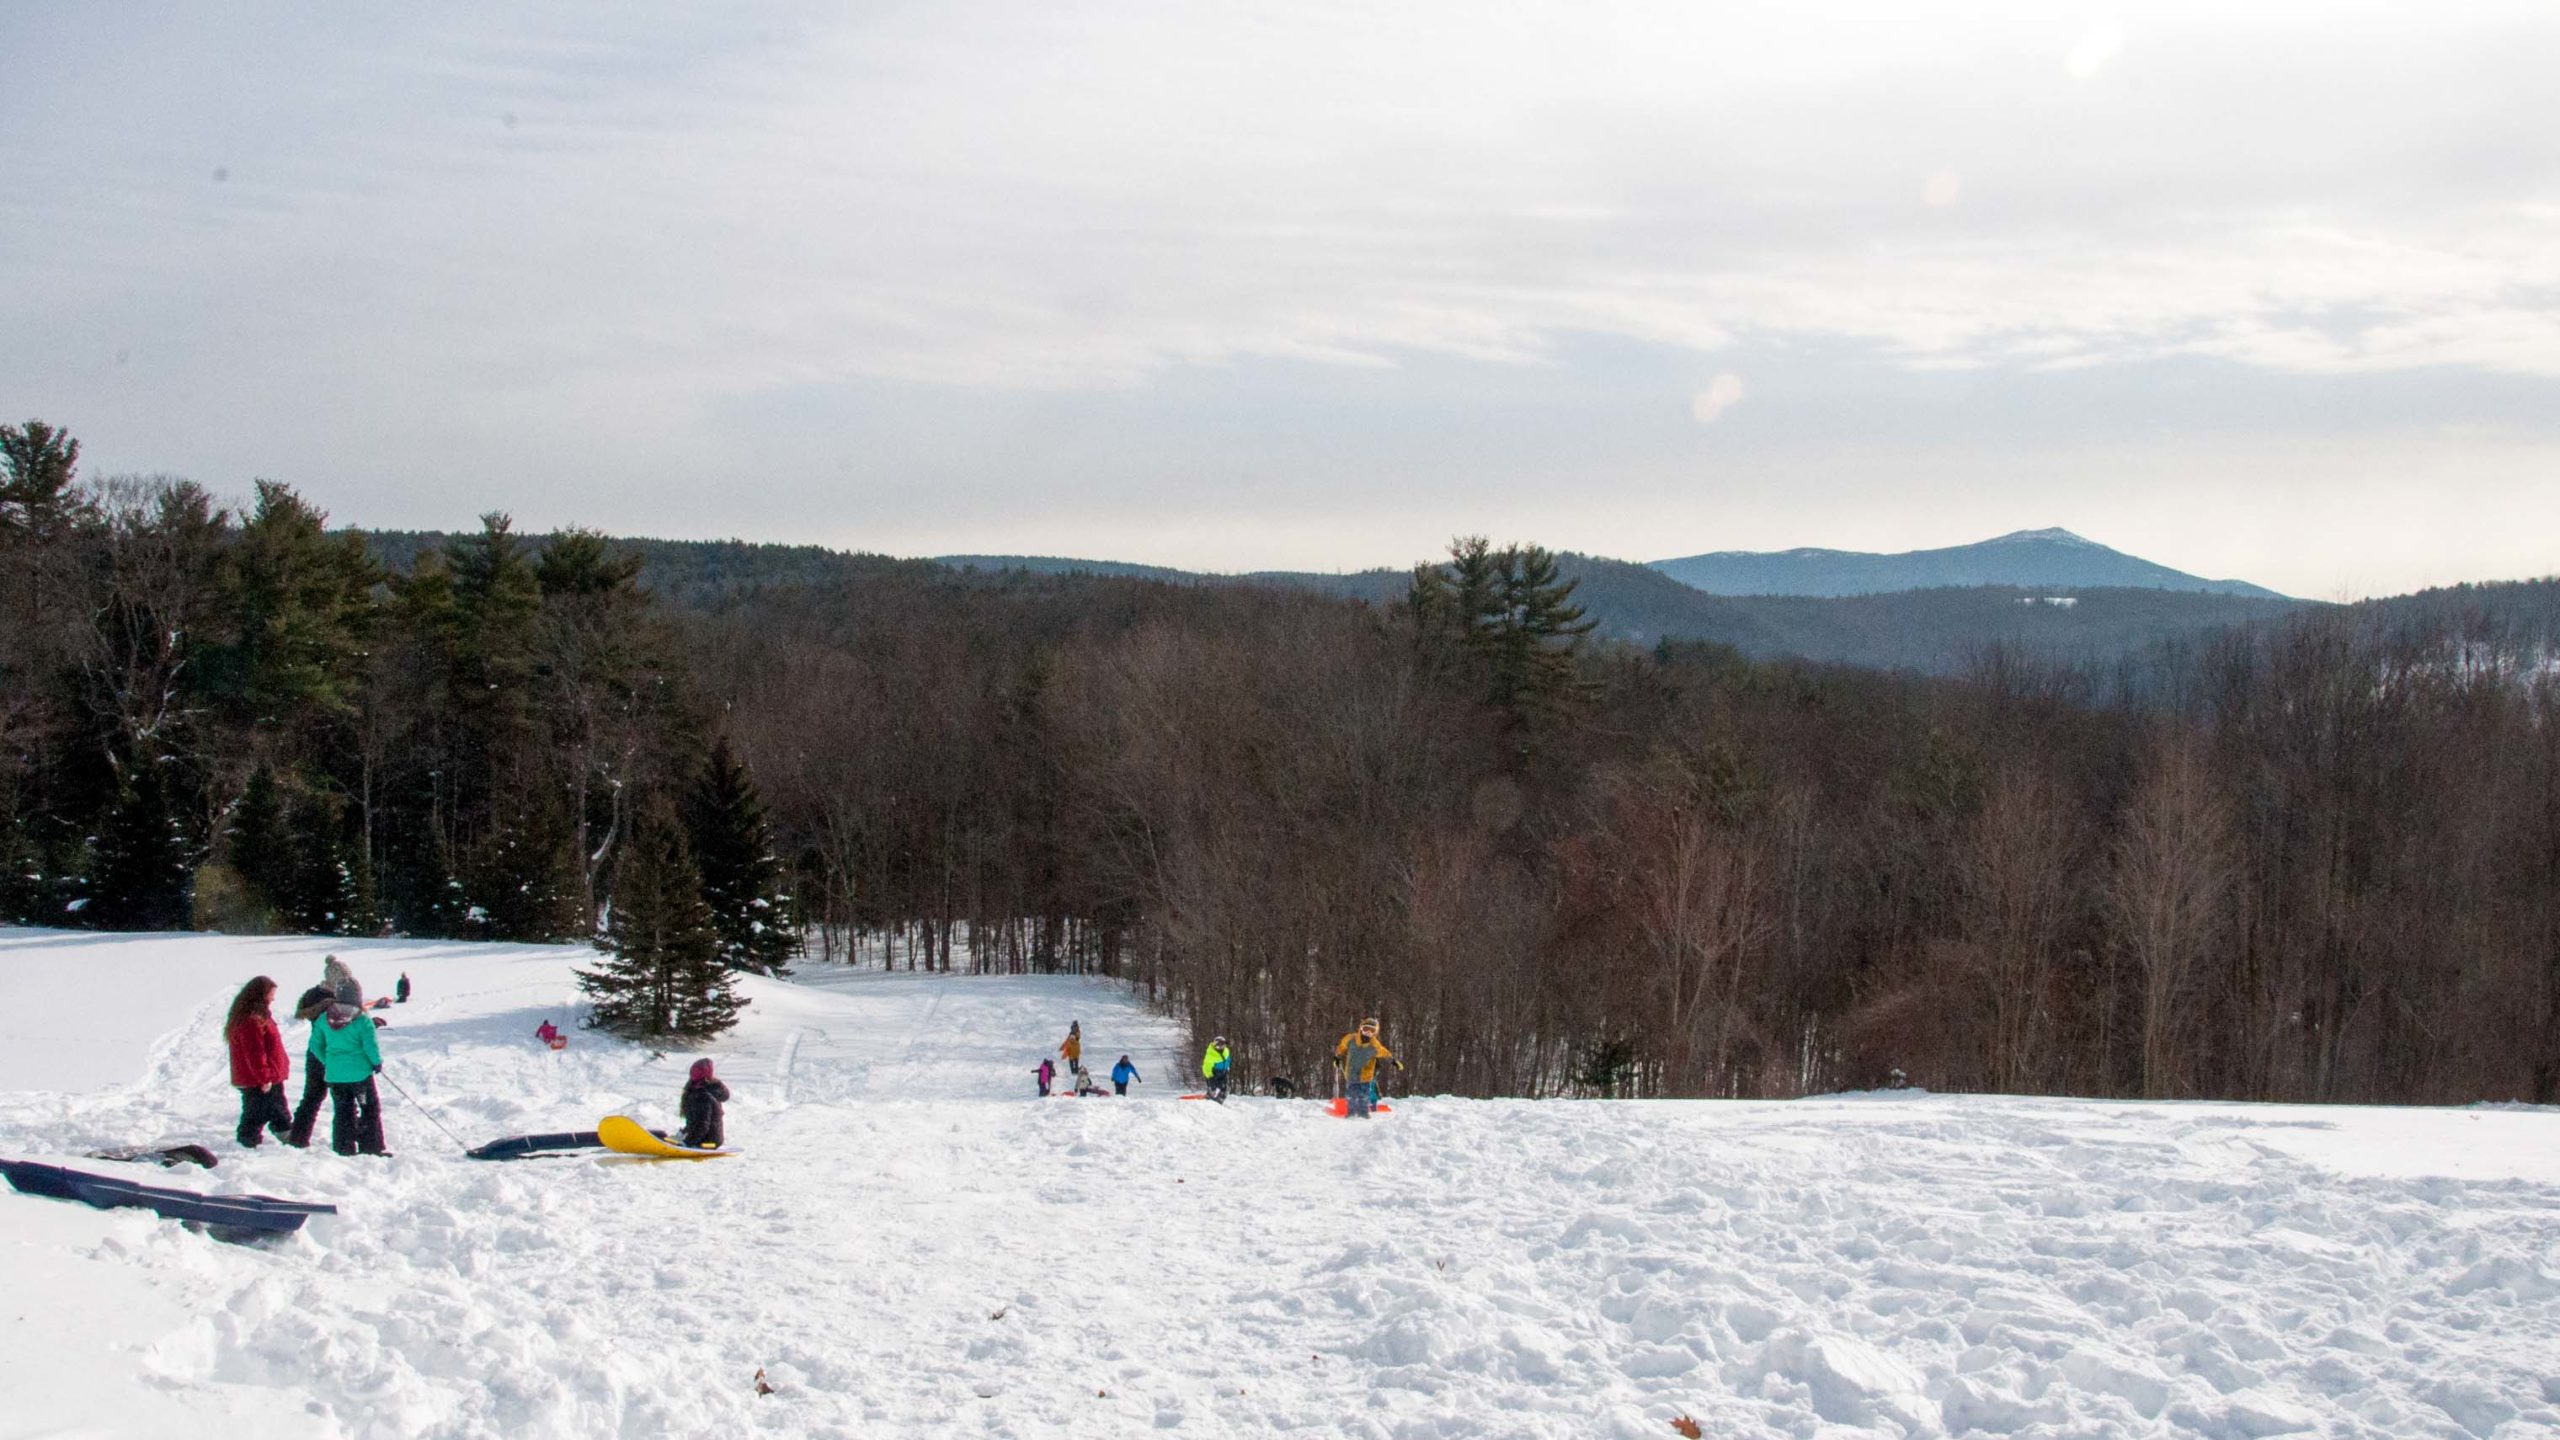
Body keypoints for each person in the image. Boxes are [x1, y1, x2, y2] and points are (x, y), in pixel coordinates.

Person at [312, 995, 389, 1155]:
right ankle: (371, 1147)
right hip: (360, 1075)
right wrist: (376, 1062)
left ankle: (343, 1148)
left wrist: (329, 1061)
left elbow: (314, 1045)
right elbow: (370, 1046)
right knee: (369, 1109)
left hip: (335, 1076)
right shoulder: (362, 1020)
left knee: (342, 1111)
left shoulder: (324, 1018)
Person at [224, 977, 293, 1148]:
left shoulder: (256, 1016)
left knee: (269, 1111)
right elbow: (255, 1053)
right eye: (271, 994)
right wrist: (264, 1078)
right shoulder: (252, 1020)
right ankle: (251, 1145)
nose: (273, 998)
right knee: (261, 1113)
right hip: (260, 1078)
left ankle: (285, 1140)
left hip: (265, 1076)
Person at [285, 976, 336, 1147]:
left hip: (314, 1054)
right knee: (344, 1101)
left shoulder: (312, 999)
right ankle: (347, 1140)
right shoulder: (329, 1005)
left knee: (311, 1098)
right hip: (333, 1056)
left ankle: (298, 1138)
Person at [1334, 1018, 1395, 1118]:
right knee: (1351, 1095)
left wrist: (1393, 1060)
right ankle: (1351, 1112)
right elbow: (1341, 1048)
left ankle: (1363, 1112)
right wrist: (1337, 1057)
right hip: (1351, 1074)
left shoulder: (1374, 1045)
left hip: (1366, 1076)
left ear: (1375, 1033)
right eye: (1366, 1029)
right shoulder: (1350, 1039)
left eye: (1372, 1031)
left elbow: (1384, 1052)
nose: (1368, 1033)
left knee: (1364, 1095)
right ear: (1361, 1028)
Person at [680, 1059, 728, 1149]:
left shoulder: (704, 1095)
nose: (694, 1073)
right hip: (698, 1136)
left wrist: (687, 1142)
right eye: (693, 1071)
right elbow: (694, 1120)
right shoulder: (693, 1090)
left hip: (708, 1140)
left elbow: (702, 1125)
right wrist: (684, 1133)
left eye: (697, 1071)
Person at [1200, 1036, 1232, 1103]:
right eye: (1218, 1045)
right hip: (1214, 1073)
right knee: (1213, 1087)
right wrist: (1209, 1076)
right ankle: (1210, 1095)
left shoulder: (1226, 1051)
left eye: (1222, 1045)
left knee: (1225, 1088)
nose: (1220, 1047)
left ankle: (1220, 1099)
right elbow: (1206, 1066)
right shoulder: (1211, 1054)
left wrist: (1228, 1066)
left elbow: (1228, 1059)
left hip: (1224, 1072)